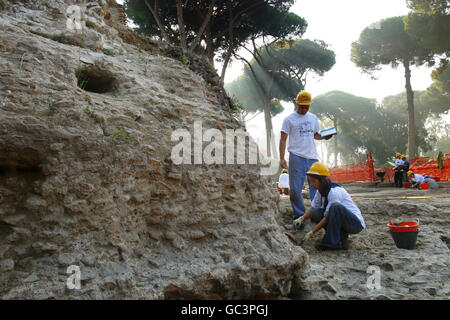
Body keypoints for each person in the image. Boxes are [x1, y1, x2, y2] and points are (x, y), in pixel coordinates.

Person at [279, 90, 332, 220]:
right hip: (296, 156)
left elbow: (315, 135)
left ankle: (316, 213)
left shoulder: (313, 118)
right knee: (296, 189)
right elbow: (283, 139)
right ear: (297, 104)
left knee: (317, 188)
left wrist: (325, 137)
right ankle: (299, 214)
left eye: (306, 106)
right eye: (302, 106)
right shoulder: (289, 119)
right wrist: (281, 158)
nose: (304, 109)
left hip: (312, 157)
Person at [293, 162, 366, 250]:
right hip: (342, 220)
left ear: (322, 180)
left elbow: (327, 217)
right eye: (310, 181)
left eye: (313, 181)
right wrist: (302, 218)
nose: (311, 184)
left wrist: (312, 232)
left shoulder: (334, 191)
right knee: (316, 212)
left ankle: (331, 243)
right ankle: (341, 238)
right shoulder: (320, 190)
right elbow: (313, 208)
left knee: (335, 207)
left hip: (355, 224)